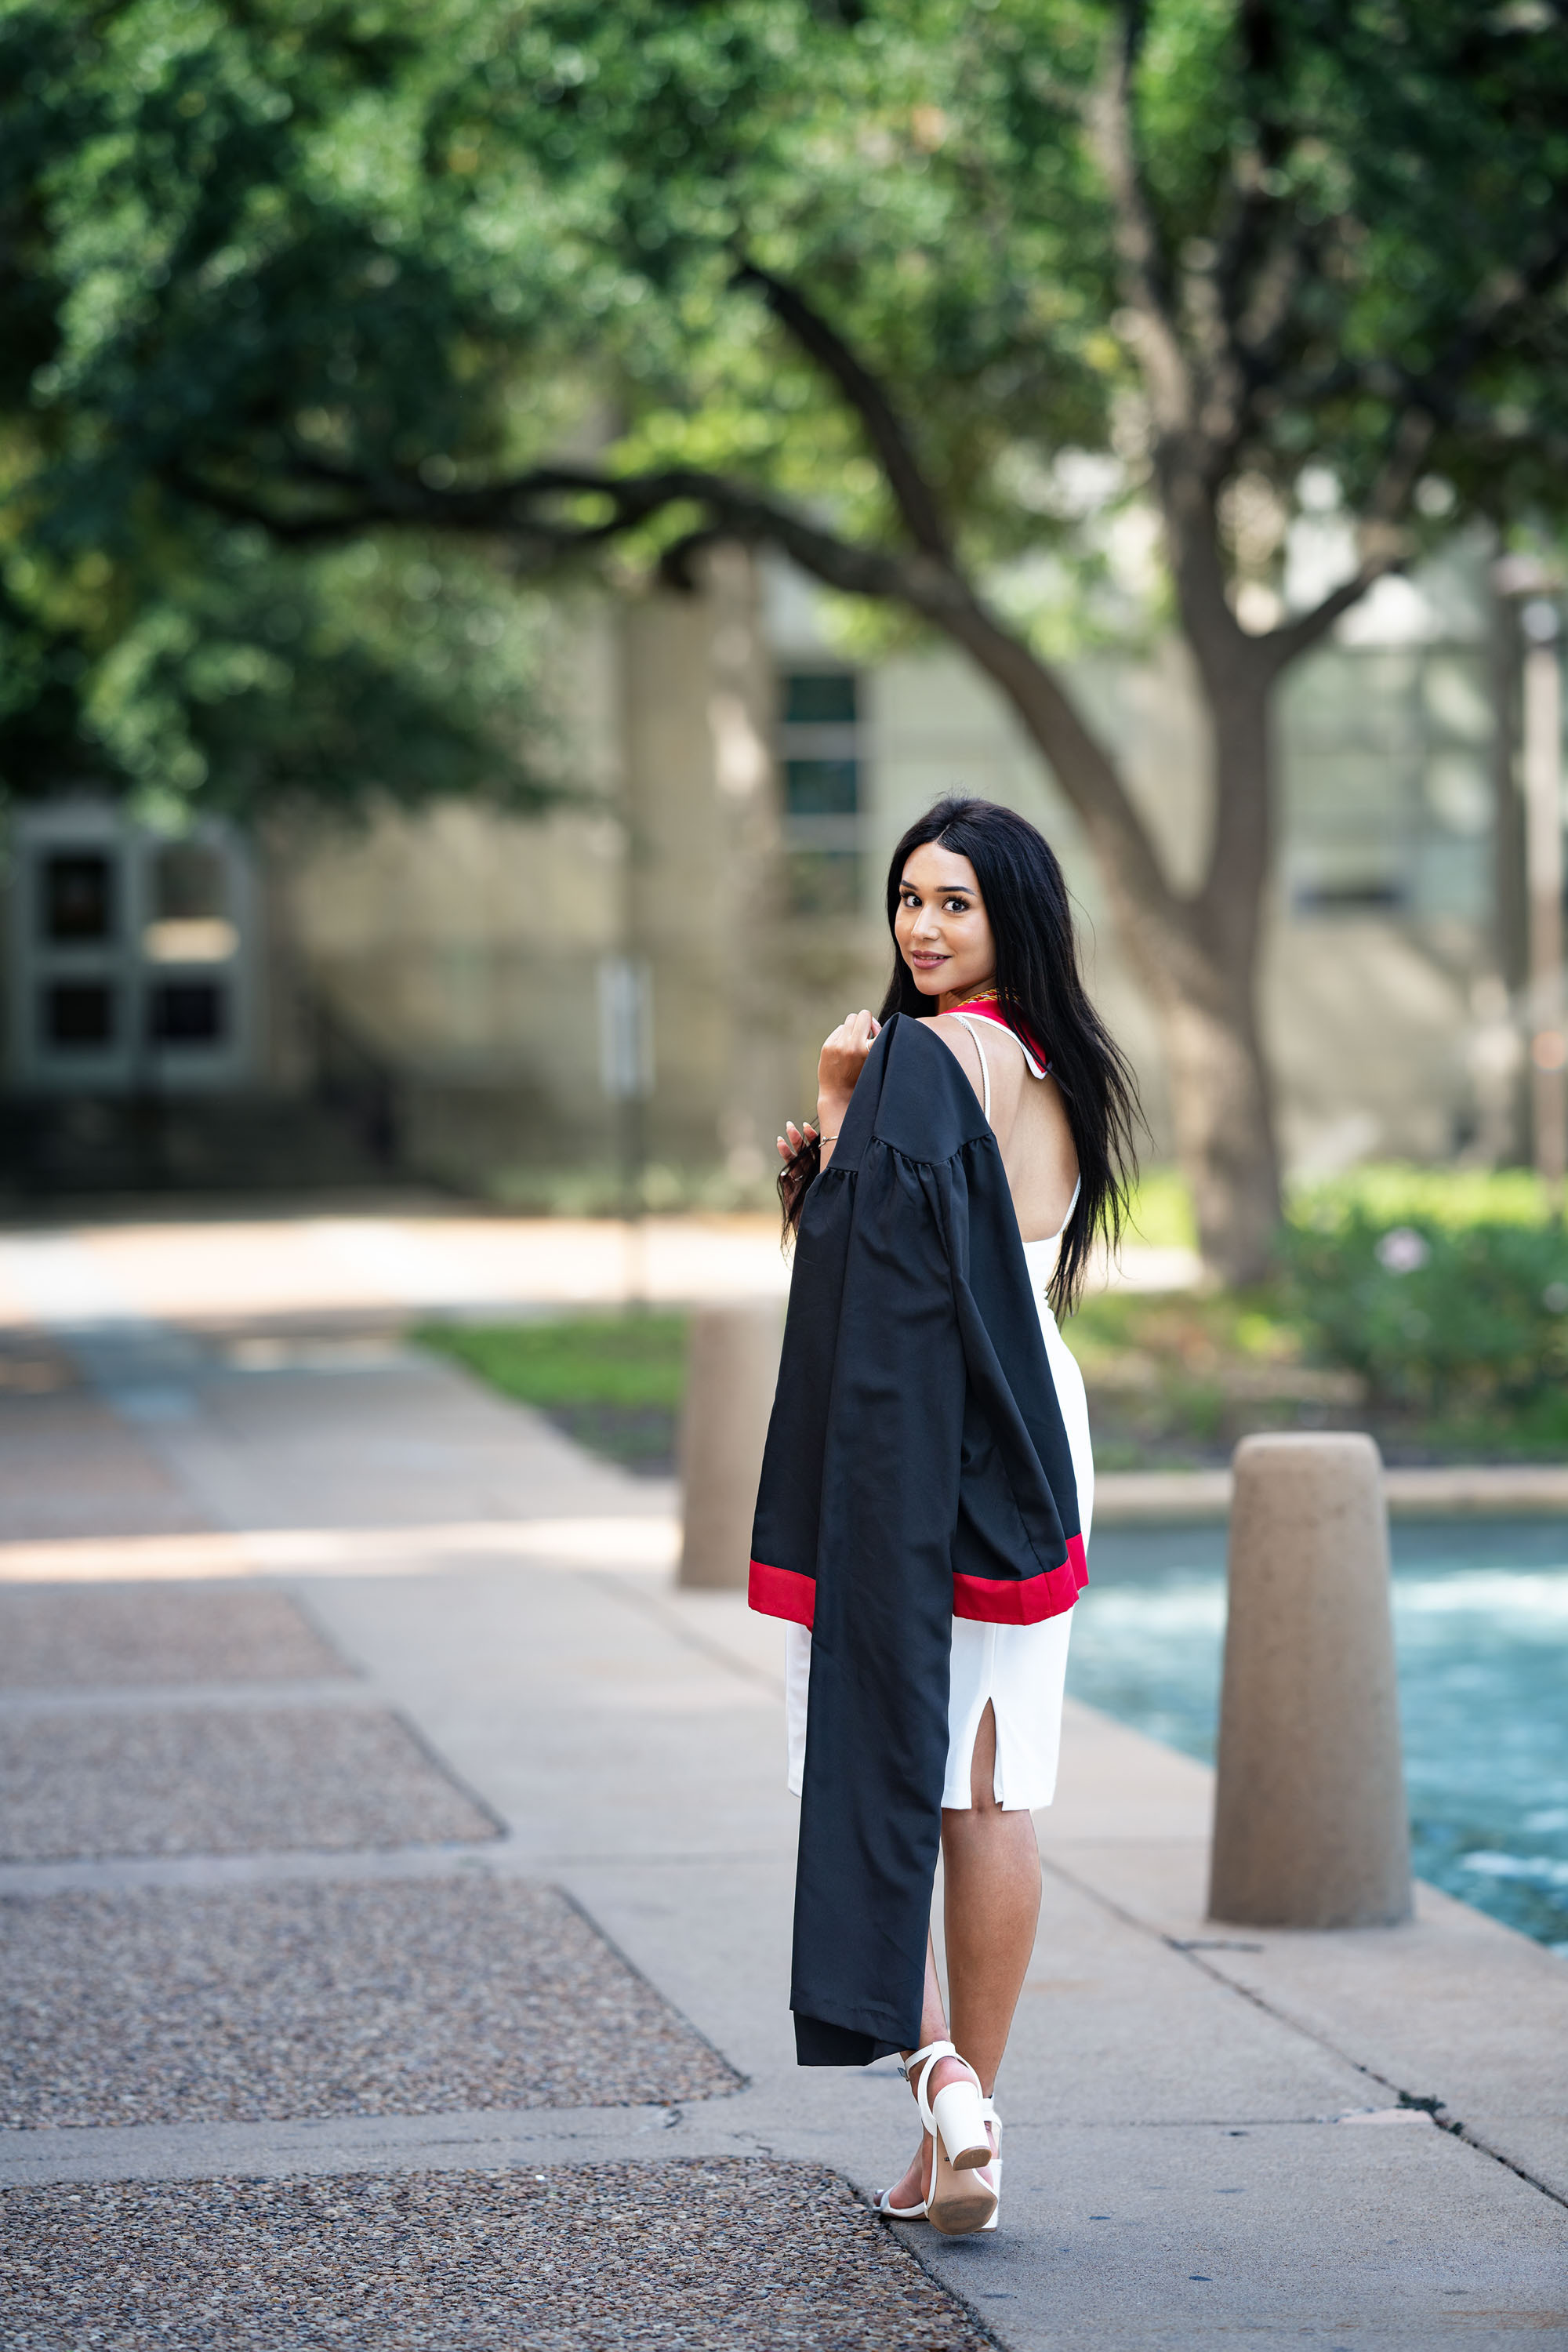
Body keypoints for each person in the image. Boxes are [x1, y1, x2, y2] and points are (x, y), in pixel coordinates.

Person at [756, 794, 1140, 2238]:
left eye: (954, 904)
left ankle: (935, 2073)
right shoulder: (1049, 1060)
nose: (922, 926)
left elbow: (868, 1271)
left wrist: (838, 1103)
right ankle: (962, 2122)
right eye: (909, 898)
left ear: (1009, 919)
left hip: (930, 1439)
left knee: (870, 1751)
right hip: (1032, 1423)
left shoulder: (931, 1059)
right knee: (990, 1785)